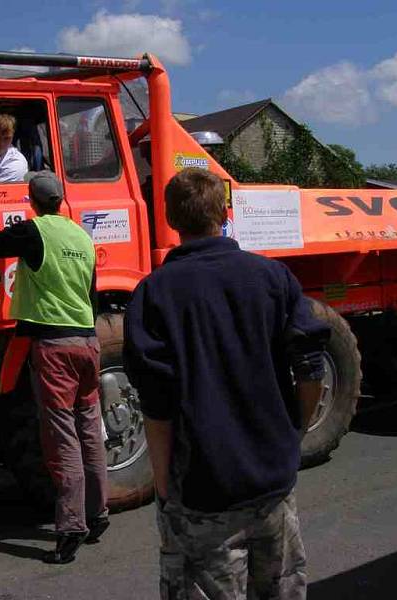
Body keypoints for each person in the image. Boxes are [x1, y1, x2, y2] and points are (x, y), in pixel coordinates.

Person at [123, 168, 330, 600]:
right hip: (273, 485)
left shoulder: (154, 293)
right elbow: (311, 369)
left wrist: (164, 486)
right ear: (224, 212)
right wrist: (293, 435)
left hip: (203, 494)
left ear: (170, 218)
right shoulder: (273, 278)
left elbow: (157, 404)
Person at [0, 171, 109, 564]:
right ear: (61, 200)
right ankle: (98, 514)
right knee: (89, 430)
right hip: (87, 342)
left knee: (61, 437)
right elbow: (90, 295)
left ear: (31, 200)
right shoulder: (82, 236)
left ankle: (70, 527)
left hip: (55, 346)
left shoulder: (34, 232)